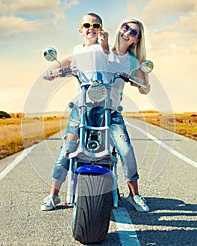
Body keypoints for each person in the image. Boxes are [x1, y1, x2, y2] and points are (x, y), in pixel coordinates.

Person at [41, 12, 108, 211]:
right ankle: (53, 195)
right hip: (81, 108)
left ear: (101, 29)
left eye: (96, 25)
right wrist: (54, 72)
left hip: (103, 107)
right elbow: (70, 65)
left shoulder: (106, 49)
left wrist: (105, 44)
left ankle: (117, 191)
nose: (91, 28)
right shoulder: (78, 50)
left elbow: (107, 55)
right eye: (87, 25)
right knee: (67, 149)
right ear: (81, 30)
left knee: (108, 150)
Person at [105, 18, 150, 212]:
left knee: (125, 150)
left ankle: (135, 195)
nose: (127, 33)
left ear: (136, 40)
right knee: (70, 145)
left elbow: (145, 90)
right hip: (89, 110)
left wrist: (142, 77)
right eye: (126, 28)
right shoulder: (102, 51)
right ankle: (54, 194)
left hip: (113, 113)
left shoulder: (132, 61)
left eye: (133, 32)